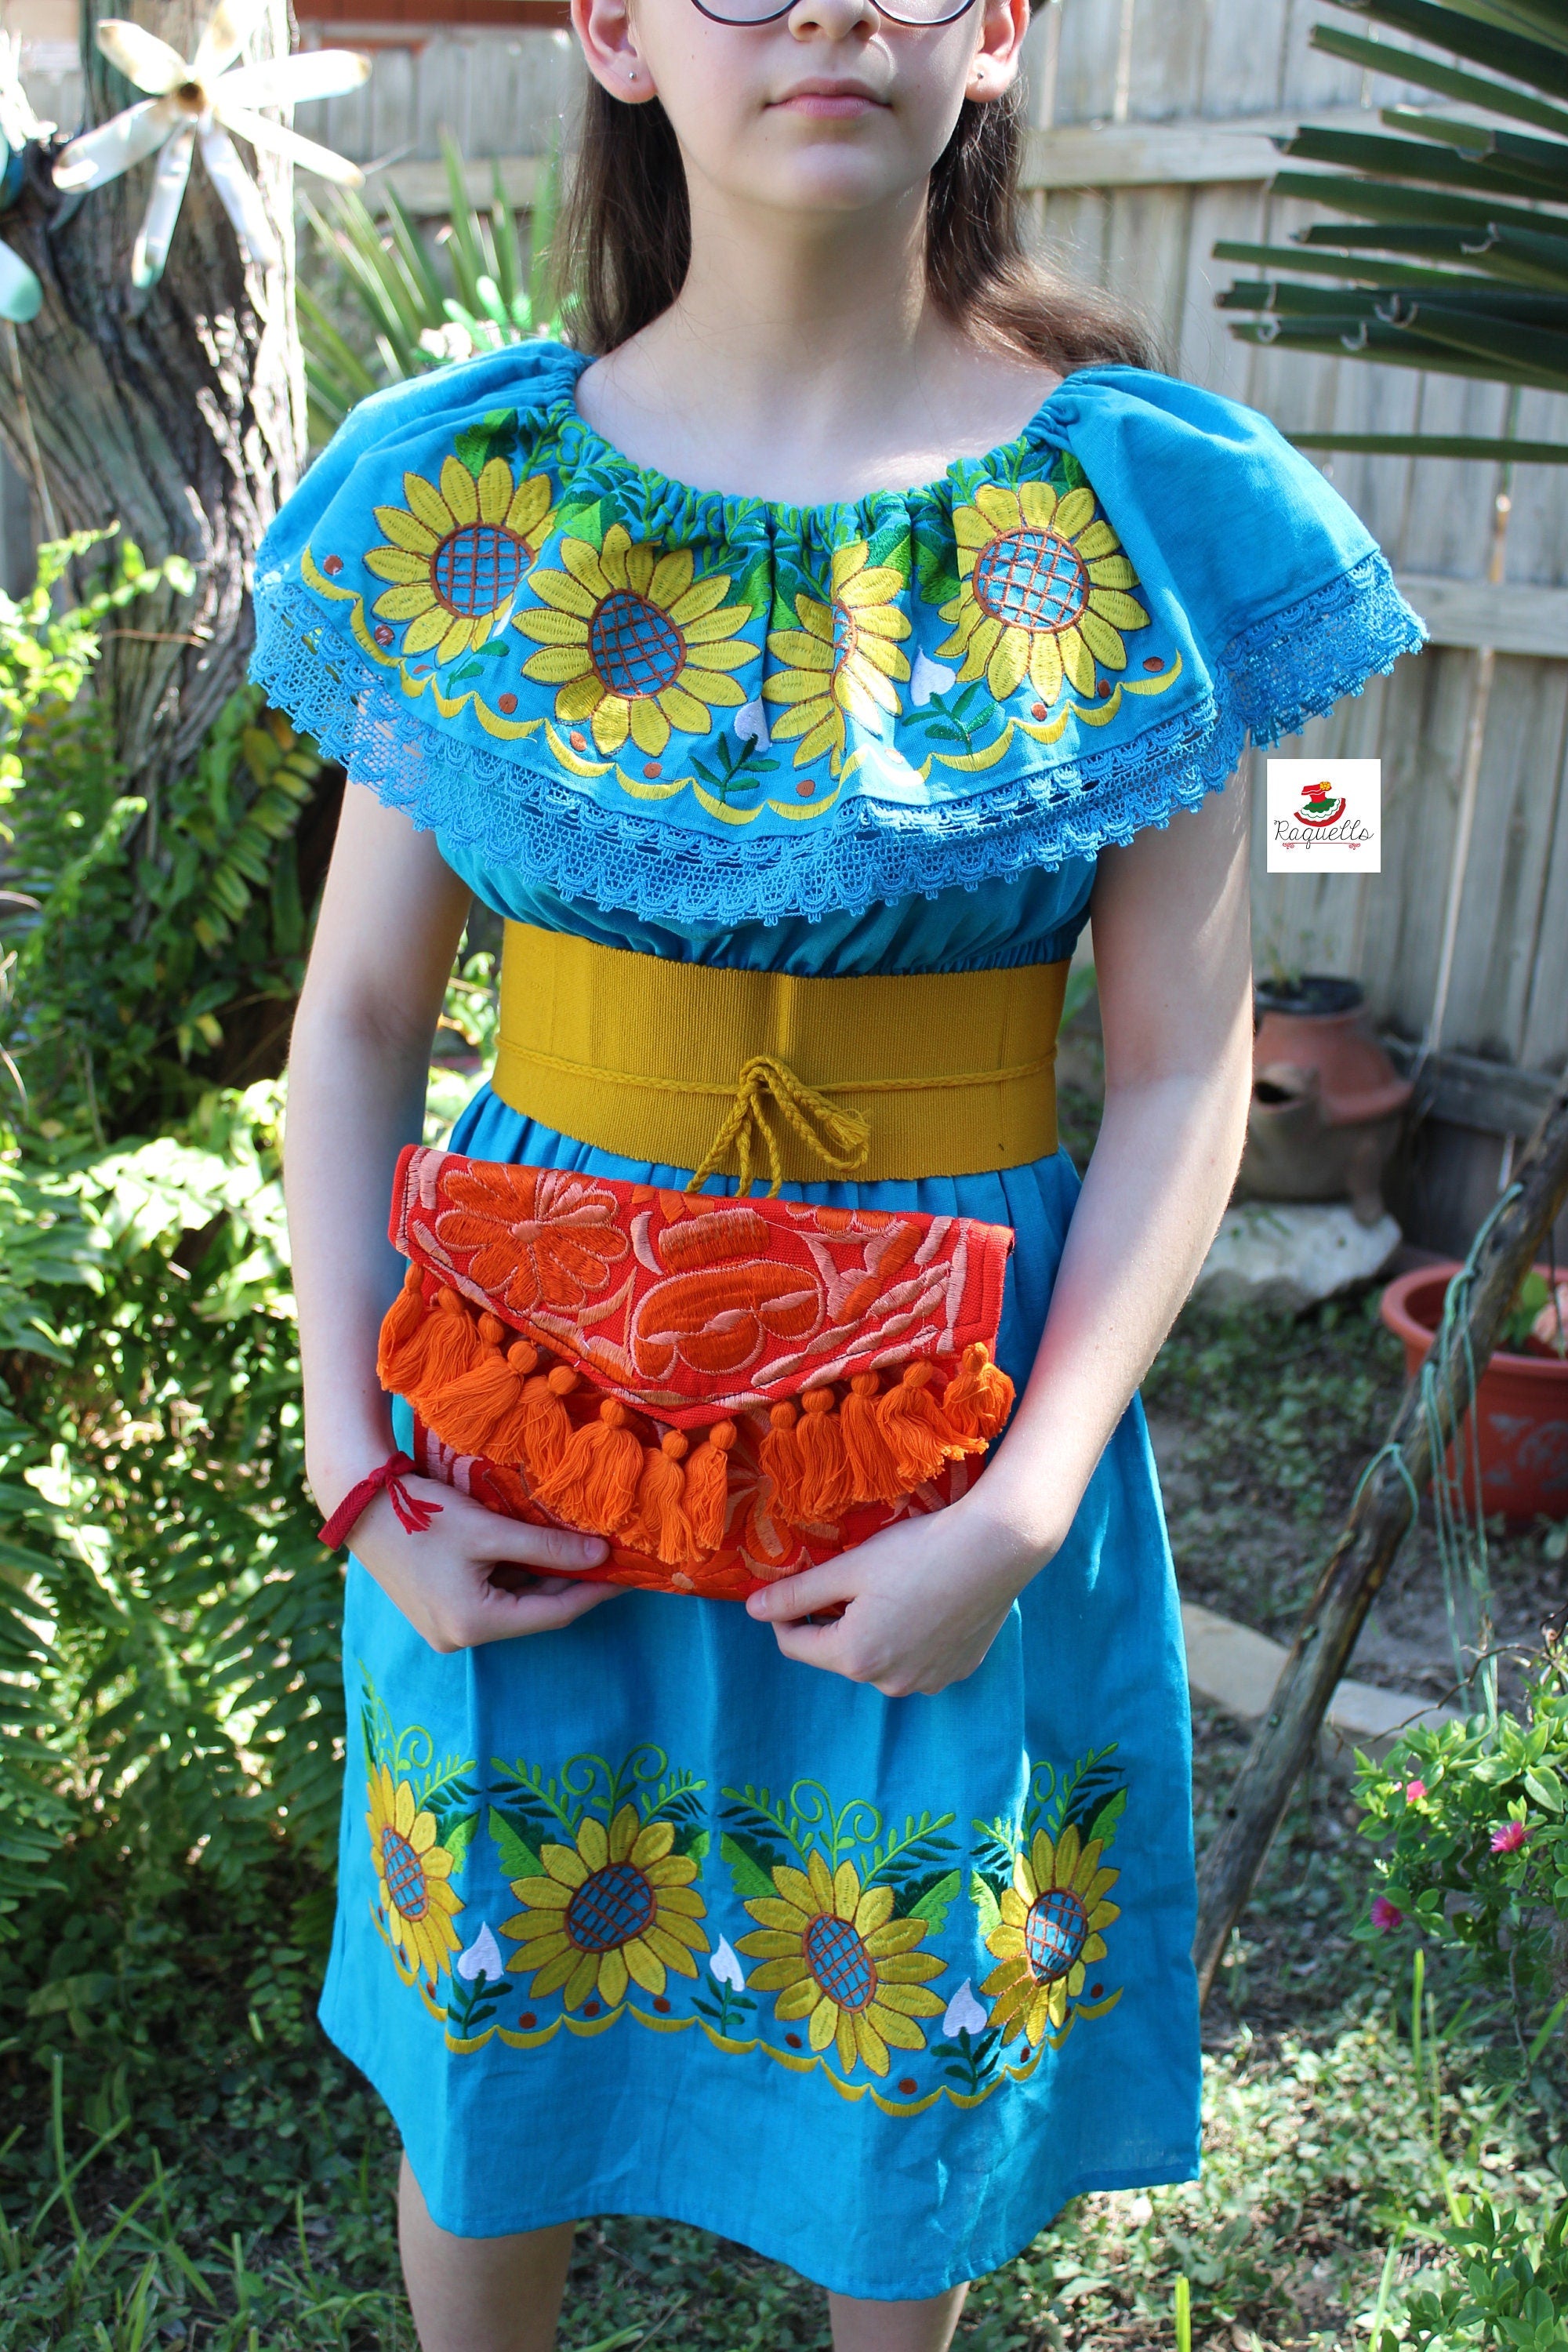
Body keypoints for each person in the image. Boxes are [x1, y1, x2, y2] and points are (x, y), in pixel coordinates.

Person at [256, 0, 1425, 2339]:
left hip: (949, 1459)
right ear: (606, 30)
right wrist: (352, 1464)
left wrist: (1021, 1511)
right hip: (522, 1425)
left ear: (990, 34)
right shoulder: (460, 501)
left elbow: (1191, 1077)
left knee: (916, 2103)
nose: (821, 7)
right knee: (494, 2083)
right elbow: (365, 1016)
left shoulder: (1140, 521)